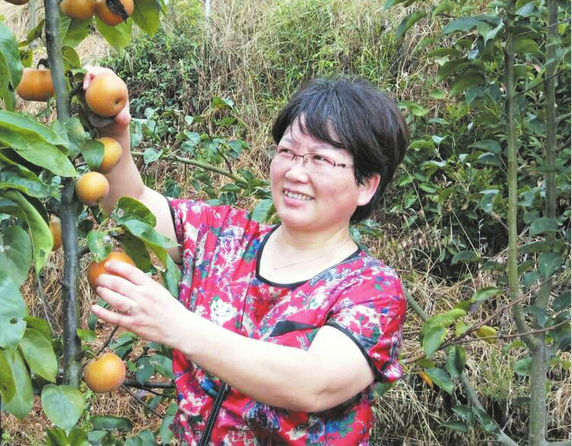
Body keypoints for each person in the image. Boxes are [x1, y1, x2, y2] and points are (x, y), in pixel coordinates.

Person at [84, 66, 410, 445]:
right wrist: (114, 131)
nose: (295, 172)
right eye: (287, 151)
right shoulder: (224, 238)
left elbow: (315, 383)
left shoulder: (372, 290)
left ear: (367, 185)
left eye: (320, 159)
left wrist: (179, 325)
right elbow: (134, 204)